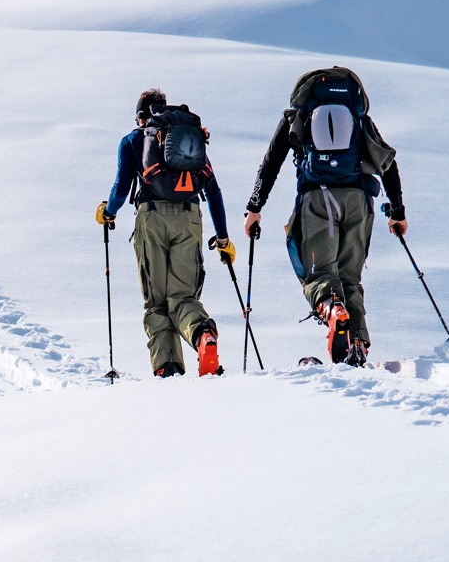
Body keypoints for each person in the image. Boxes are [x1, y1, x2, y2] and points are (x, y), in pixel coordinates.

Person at [241, 67, 406, 366]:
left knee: (319, 274)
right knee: (350, 277)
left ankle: (333, 310)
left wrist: (255, 207)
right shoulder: (359, 120)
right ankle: (357, 345)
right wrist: (397, 213)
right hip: (358, 200)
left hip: (317, 199)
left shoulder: (297, 117)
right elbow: (387, 162)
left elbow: (271, 163)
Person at [96, 89, 234, 377]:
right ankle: (202, 335)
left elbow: (121, 189)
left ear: (140, 117)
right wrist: (223, 239)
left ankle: (167, 368)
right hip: (189, 218)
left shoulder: (134, 140)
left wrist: (108, 212)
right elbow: (213, 190)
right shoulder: (187, 138)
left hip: (152, 220)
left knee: (157, 303)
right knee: (183, 297)